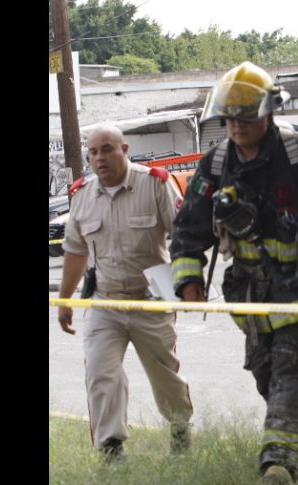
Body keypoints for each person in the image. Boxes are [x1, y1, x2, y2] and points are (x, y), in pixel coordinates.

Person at [169, 61, 298, 484]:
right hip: (252, 302)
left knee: (290, 370)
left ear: (267, 112)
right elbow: (189, 225)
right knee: (271, 381)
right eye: (229, 116)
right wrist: (188, 278)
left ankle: (278, 465)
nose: (236, 124)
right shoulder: (216, 164)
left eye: (245, 115)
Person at [57, 124, 193, 462]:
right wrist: (65, 300)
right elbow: (75, 252)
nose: (99, 158)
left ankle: (180, 429)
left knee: (165, 375)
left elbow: (186, 237)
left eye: (106, 149)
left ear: (125, 149)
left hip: (151, 302)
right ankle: (111, 449)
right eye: (93, 152)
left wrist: (188, 284)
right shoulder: (82, 195)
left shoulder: (155, 184)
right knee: (101, 374)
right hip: (105, 302)